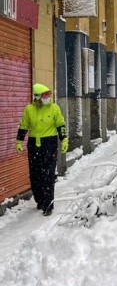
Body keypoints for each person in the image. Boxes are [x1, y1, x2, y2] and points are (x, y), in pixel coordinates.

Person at [15, 83, 68, 216]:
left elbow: (60, 124)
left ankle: (48, 204)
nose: (48, 97)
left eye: (49, 95)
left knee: (48, 174)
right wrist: (19, 140)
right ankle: (40, 199)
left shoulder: (54, 108)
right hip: (33, 145)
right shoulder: (29, 109)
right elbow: (24, 125)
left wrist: (64, 139)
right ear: (37, 97)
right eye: (45, 95)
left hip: (49, 144)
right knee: (35, 175)